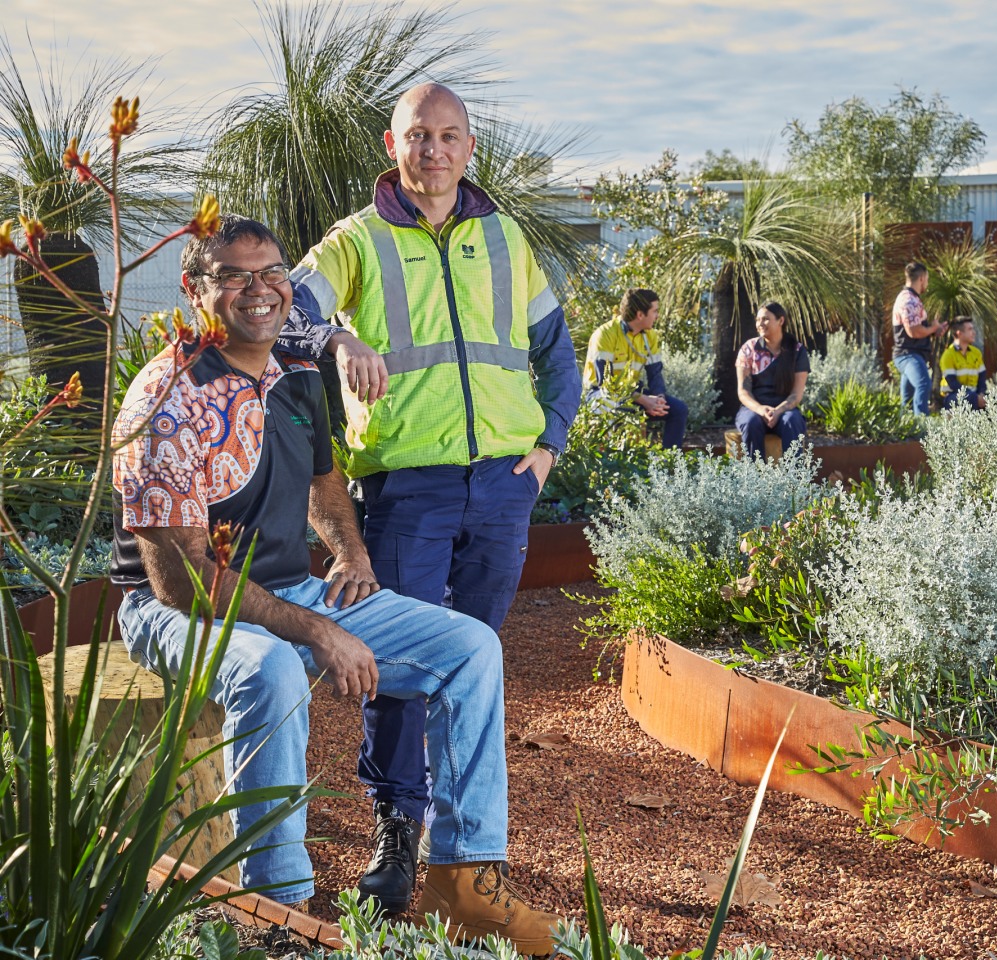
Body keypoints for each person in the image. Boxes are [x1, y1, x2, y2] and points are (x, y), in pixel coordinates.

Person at [110, 215, 562, 954]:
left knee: (470, 647)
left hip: (291, 588)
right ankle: (273, 909)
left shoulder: (293, 375)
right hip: (168, 611)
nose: (260, 291)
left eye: (272, 272)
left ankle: (464, 880)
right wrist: (317, 629)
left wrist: (349, 554)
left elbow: (323, 478)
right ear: (195, 291)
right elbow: (180, 580)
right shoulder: (167, 397)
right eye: (234, 276)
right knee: (269, 667)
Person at [277, 82, 580, 913]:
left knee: (473, 659)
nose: (434, 151)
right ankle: (397, 830)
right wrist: (337, 333)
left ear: (470, 147)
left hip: (504, 489)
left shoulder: (507, 237)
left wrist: (548, 444)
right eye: (419, 136)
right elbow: (277, 307)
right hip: (407, 487)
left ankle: (465, 856)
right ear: (392, 144)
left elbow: (558, 352)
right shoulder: (357, 240)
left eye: (450, 137)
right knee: (404, 665)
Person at [582, 288, 688, 447]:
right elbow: (605, 384)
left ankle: (670, 466)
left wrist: (659, 399)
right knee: (621, 411)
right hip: (600, 395)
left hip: (632, 393)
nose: (657, 316)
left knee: (678, 410)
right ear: (640, 315)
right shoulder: (605, 334)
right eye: (655, 311)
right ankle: (617, 465)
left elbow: (655, 374)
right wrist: (643, 400)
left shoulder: (650, 336)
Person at [735, 302, 809, 456]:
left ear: (781, 321)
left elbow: (796, 395)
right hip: (754, 409)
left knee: (792, 421)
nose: (760, 324)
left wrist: (778, 410)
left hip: (785, 409)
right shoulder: (749, 349)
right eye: (758, 320)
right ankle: (755, 477)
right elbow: (743, 391)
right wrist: (760, 409)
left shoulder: (797, 350)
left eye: (765, 319)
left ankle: (794, 478)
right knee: (750, 423)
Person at [891, 261, 947, 415]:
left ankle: (906, 430)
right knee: (923, 384)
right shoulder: (909, 300)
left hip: (910, 354)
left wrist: (934, 331)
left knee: (907, 400)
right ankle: (922, 428)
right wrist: (933, 328)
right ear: (922, 278)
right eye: (927, 279)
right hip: (908, 355)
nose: (927, 284)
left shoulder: (909, 298)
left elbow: (917, 329)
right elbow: (914, 332)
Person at [937, 316, 987, 411]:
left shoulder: (976, 353)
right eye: (970, 329)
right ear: (959, 333)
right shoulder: (948, 355)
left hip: (975, 394)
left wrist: (981, 394)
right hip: (953, 396)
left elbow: (982, 377)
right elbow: (953, 383)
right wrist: (976, 398)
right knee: (971, 398)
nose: (974, 332)